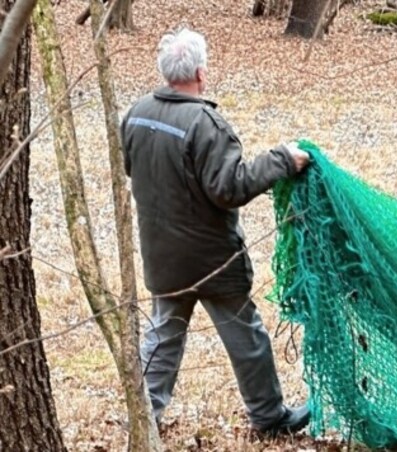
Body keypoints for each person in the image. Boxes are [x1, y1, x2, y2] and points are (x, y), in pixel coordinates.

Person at [121, 27, 311, 439]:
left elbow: (131, 167)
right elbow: (231, 188)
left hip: (161, 257)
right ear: (201, 74)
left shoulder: (134, 113)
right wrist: (282, 159)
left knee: (162, 337)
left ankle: (143, 418)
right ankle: (269, 417)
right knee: (247, 337)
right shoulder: (206, 124)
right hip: (212, 261)